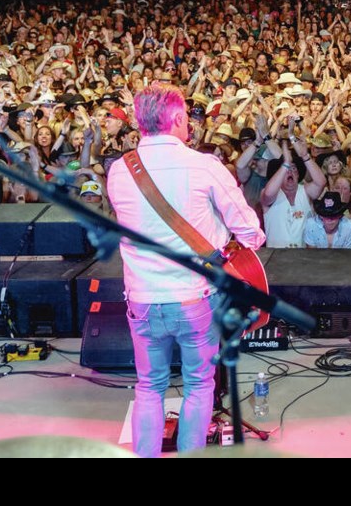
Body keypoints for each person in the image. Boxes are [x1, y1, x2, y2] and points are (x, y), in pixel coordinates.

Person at [106, 84, 265, 458]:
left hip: (142, 300)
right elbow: (251, 234)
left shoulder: (118, 171)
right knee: (198, 384)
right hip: (195, 299)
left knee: (149, 386)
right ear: (178, 119)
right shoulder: (204, 166)